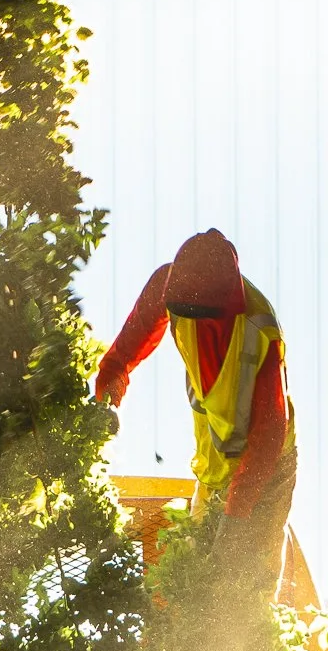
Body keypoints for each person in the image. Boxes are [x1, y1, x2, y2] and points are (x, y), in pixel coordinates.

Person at [94, 227, 295, 588]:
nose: (192, 323)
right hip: (213, 467)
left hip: (265, 474)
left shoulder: (259, 331)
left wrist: (235, 519)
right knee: (194, 581)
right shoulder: (171, 287)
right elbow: (132, 338)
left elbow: (268, 437)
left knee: (247, 590)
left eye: (203, 317)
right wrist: (111, 381)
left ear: (225, 309)